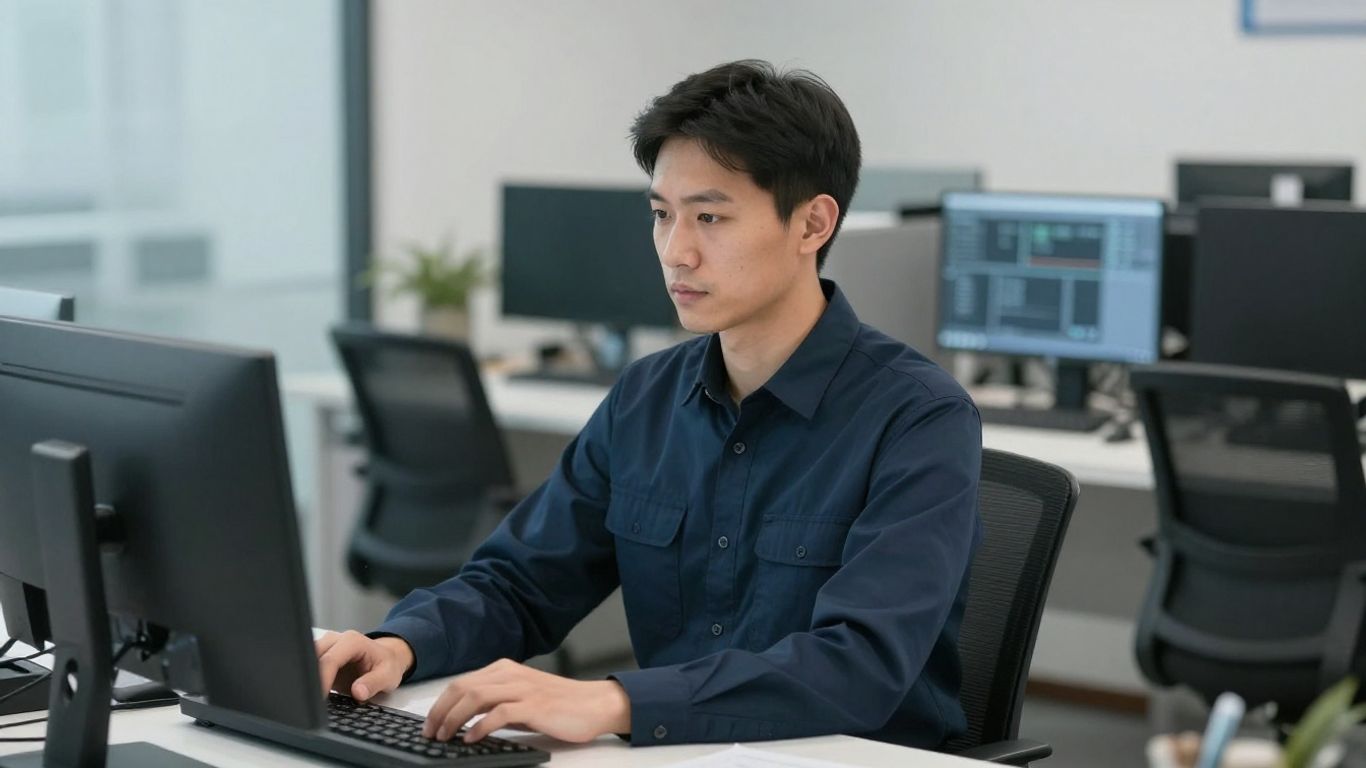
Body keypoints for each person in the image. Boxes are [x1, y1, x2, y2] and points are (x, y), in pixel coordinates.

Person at [316, 58, 982, 750]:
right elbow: (519, 582)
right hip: (683, 751)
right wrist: (400, 645)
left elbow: (859, 666)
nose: (675, 251)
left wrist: (615, 701)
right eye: (662, 214)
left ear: (811, 224)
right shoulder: (645, 398)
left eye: (710, 217)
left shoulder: (919, 418)